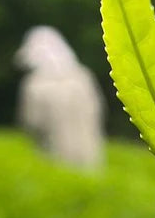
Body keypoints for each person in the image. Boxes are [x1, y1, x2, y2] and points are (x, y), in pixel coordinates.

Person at [15, 26, 106, 169]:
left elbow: (32, 121)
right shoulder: (83, 77)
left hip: (52, 154)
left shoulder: (35, 84)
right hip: (89, 153)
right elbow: (98, 109)